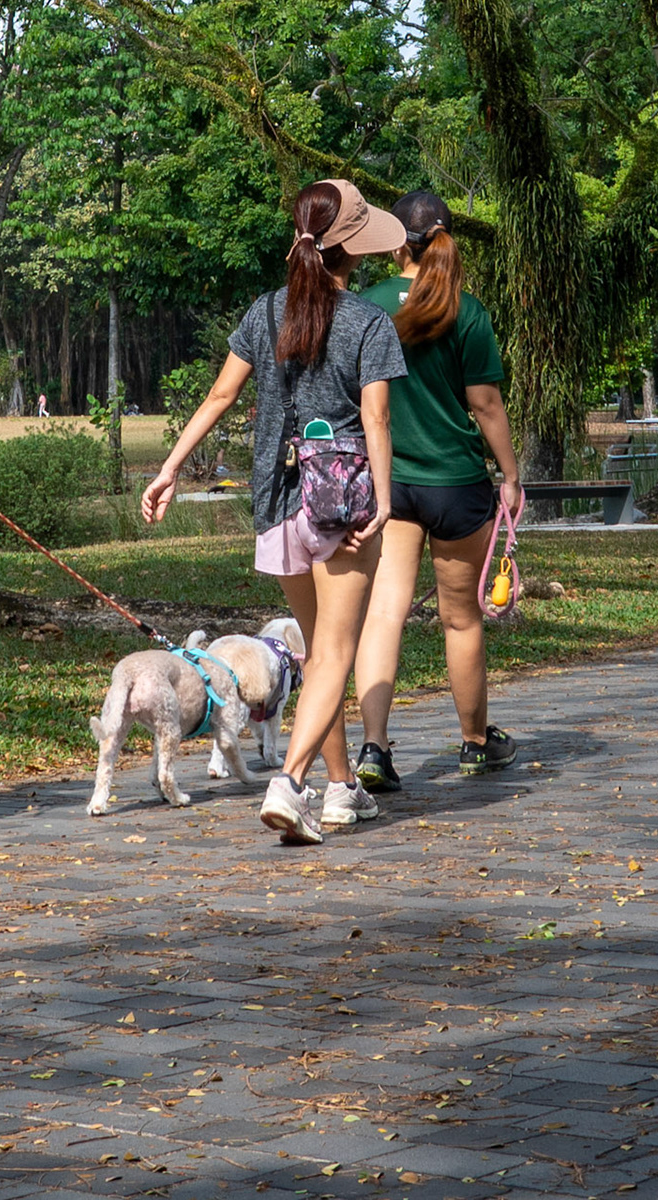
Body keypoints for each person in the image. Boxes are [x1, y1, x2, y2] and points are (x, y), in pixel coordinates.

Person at [143, 180, 408, 842]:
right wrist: (385, 499)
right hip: (342, 503)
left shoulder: (264, 313)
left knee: (320, 654)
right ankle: (289, 784)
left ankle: (342, 788)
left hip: (277, 501)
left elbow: (219, 396)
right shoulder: (369, 322)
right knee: (334, 656)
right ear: (354, 246)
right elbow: (377, 418)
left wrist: (170, 468)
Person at [351, 194, 523, 791]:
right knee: (461, 620)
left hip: (391, 484)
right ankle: (476, 745)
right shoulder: (466, 310)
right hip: (457, 485)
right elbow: (486, 404)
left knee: (385, 614)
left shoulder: (367, 305)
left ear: (396, 242)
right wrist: (511, 476)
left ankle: (374, 749)